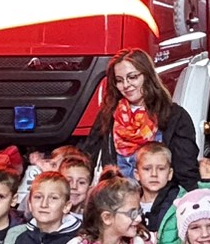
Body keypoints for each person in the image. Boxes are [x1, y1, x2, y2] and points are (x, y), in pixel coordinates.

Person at [82, 47, 201, 182]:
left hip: (163, 200)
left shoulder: (174, 116)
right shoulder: (108, 115)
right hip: (116, 198)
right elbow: (87, 159)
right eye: (119, 80)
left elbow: (186, 170)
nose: (126, 85)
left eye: (132, 77)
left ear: (147, 76)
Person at [137, 142, 185, 244]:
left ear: (170, 174)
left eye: (161, 169)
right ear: (136, 174)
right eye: (147, 169)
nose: (154, 174)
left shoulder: (180, 202)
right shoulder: (129, 203)